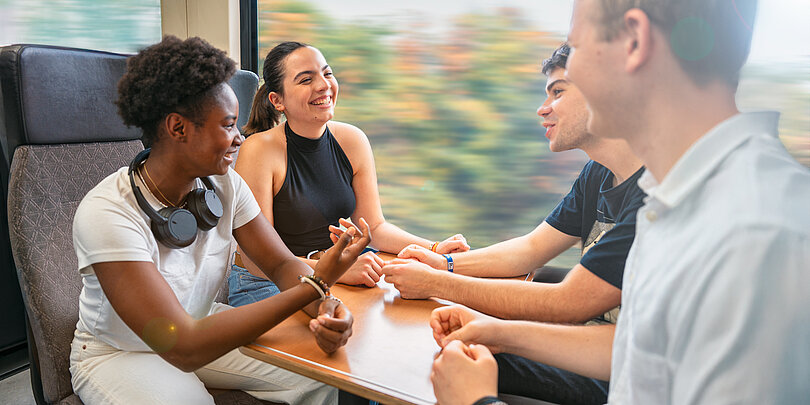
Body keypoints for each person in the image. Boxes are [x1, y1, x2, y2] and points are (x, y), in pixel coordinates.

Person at [430, 0, 810, 404]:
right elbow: (639, 357)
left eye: (575, 47)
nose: (570, 70)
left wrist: (475, 402)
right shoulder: (674, 200)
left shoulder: (754, 236)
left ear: (634, 41)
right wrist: (498, 332)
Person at [69, 35, 371, 405]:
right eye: (228, 126)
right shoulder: (108, 212)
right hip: (122, 352)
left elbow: (278, 263)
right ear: (178, 128)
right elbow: (181, 345)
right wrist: (317, 284)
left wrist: (326, 307)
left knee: (328, 377)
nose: (239, 139)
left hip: (203, 322)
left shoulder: (224, 184)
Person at [381, 43, 645, 404]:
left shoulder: (652, 193)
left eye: (559, 92)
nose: (543, 108)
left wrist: (438, 283)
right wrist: (446, 264)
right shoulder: (598, 173)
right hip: (592, 342)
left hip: (625, 374)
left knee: (445, 359)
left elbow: (571, 302)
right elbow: (531, 249)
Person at [228, 41, 469, 306]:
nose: (323, 85)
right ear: (277, 100)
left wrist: (432, 249)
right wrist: (334, 271)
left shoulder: (353, 140)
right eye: (306, 79)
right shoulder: (258, 151)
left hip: (332, 268)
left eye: (327, 73)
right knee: (329, 335)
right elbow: (259, 261)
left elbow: (374, 227)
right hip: (266, 281)